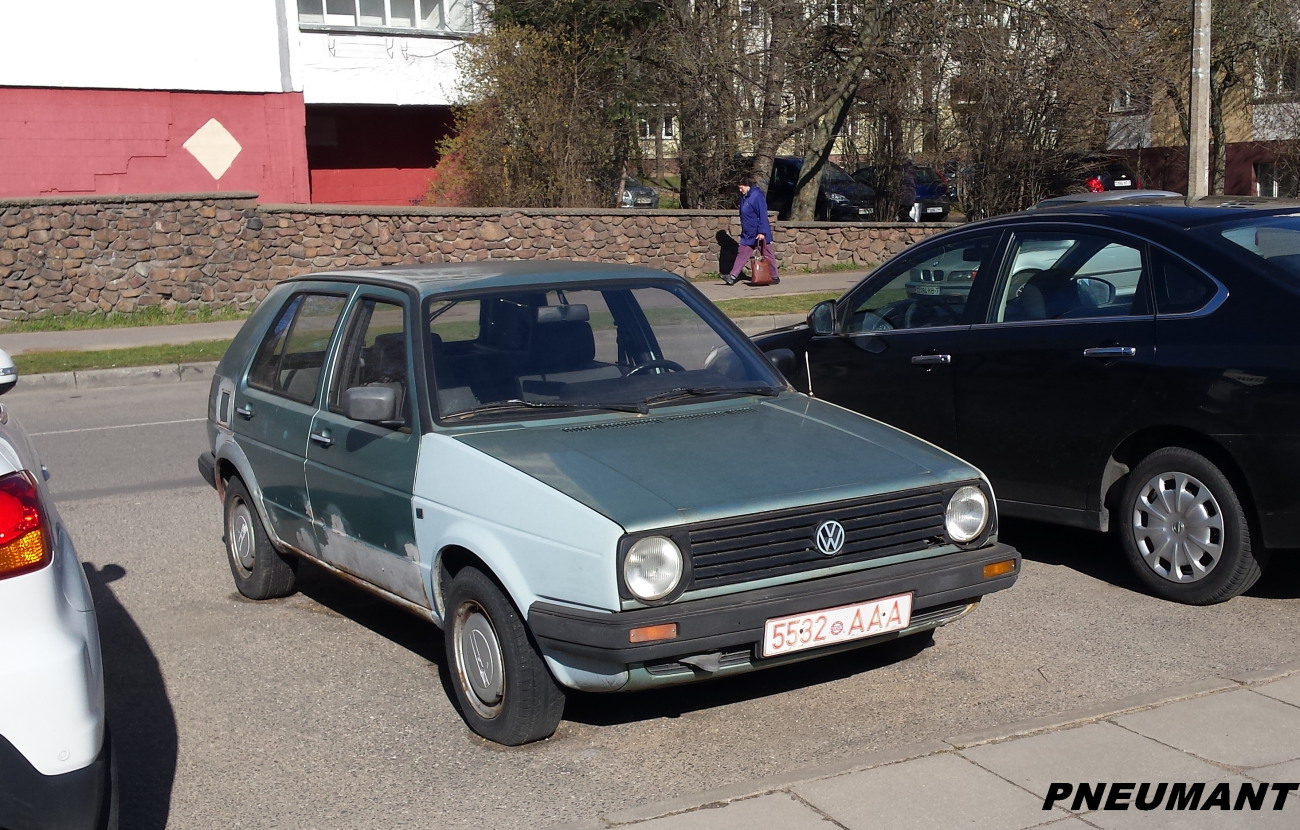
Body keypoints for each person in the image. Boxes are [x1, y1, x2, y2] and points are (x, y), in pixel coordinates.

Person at [723, 174, 780, 285]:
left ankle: (774, 276)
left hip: (758, 232)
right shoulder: (745, 197)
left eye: (741, 187)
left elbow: (762, 214)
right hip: (748, 233)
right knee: (742, 253)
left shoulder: (757, 196)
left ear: (747, 185)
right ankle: (733, 276)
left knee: (767, 254)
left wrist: (762, 232)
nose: (740, 190)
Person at [897, 156, 918, 222]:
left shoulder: (904, 171)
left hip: (906, 195)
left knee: (904, 212)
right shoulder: (911, 171)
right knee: (905, 212)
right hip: (909, 195)